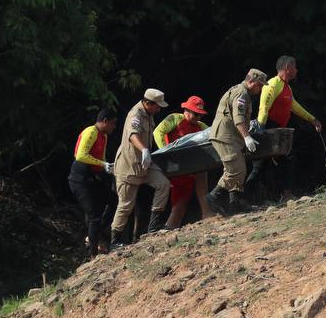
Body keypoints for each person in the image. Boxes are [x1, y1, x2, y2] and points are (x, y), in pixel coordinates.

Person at [247, 55, 323, 196]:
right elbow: (264, 108)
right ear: (287, 68)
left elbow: (294, 106)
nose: (297, 70)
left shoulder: (286, 87)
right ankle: (283, 194)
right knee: (276, 161)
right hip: (269, 127)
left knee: (270, 164)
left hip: (278, 129)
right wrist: (260, 131)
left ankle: (279, 194)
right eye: (295, 67)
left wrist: (312, 119)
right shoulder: (273, 84)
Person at [109, 88, 172, 246]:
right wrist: (144, 149)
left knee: (163, 184)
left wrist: (146, 154)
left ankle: (154, 225)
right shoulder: (135, 114)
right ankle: (115, 240)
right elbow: (133, 135)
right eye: (157, 106)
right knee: (126, 205)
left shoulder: (149, 114)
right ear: (148, 103)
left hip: (145, 164)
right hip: (128, 166)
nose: (159, 109)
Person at [208, 69, 268, 213]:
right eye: (259, 85)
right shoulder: (241, 94)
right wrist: (247, 137)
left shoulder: (243, 91)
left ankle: (235, 203)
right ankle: (214, 196)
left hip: (231, 135)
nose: (260, 89)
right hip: (225, 135)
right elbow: (239, 118)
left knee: (238, 168)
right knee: (236, 168)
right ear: (251, 81)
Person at [152, 95, 214, 229]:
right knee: (182, 196)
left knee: (181, 203)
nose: (198, 117)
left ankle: (170, 228)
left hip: (190, 169)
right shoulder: (175, 118)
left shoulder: (202, 126)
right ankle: (206, 213)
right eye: (196, 114)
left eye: (200, 115)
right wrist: (166, 152)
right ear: (186, 110)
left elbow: (214, 135)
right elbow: (158, 132)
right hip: (175, 167)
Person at [68, 109, 117, 259]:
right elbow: (80, 155)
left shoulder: (104, 136)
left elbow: (101, 157)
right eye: (113, 123)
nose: (114, 127)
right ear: (105, 121)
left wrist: (108, 168)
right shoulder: (91, 132)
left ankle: (94, 235)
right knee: (93, 214)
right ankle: (93, 254)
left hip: (92, 177)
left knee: (113, 200)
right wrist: (102, 164)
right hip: (79, 179)